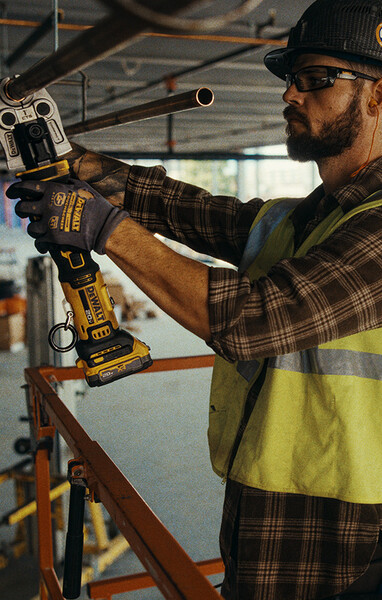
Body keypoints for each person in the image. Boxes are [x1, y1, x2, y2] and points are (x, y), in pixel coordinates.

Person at [8, 0, 382, 597]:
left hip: (344, 536)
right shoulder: (308, 219)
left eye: (314, 79)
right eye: (291, 80)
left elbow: (259, 317)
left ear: (378, 95)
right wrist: (70, 162)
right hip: (262, 501)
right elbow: (189, 210)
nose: (289, 96)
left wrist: (107, 229)